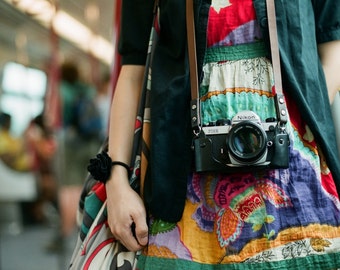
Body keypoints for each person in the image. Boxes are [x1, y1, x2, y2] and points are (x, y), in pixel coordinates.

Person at [105, 1, 340, 269]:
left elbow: (333, 48)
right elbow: (133, 68)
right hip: (181, 174)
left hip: (295, 175)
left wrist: (297, 131)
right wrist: (117, 181)